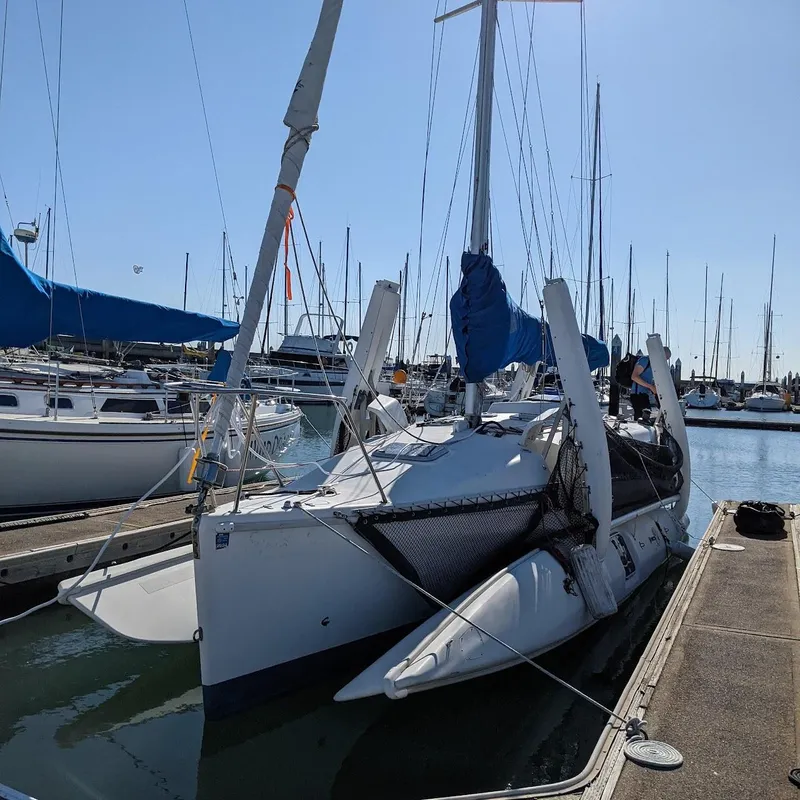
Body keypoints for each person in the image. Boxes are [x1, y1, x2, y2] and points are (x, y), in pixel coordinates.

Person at [630, 347, 671, 419]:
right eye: (665, 358)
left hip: (645, 394)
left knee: (647, 415)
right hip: (637, 394)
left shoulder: (655, 366)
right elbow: (634, 377)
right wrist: (650, 386)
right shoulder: (645, 360)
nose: (665, 361)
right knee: (642, 416)